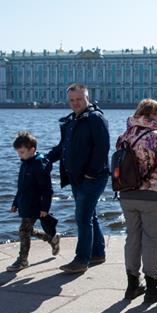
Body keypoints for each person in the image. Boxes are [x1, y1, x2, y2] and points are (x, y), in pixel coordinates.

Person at [116, 98, 157, 303]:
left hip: (126, 194)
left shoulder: (125, 135)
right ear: (152, 114)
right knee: (151, 241)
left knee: (132, 238)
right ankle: (152, 287)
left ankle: (132, 285)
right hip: (153, 195)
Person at [46, 83, 110, 272]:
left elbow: (102, 147)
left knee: (82, 218)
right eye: (72, 100)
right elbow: (63, 147)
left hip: (93, 177)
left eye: (79, 99)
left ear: (87, 98)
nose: (75, 103)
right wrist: (45, 159)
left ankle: (81, 260)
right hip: (76, 177)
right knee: (90, 216)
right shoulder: (71, 120)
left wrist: (91, 172)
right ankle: (98, 252)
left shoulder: (95, 118)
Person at [8, 131, 61, 272]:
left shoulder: (39, 165)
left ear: (32, 150)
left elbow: (47, 189)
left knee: (23, 231)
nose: (20, 156)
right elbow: (21, 186)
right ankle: (52, 238)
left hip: (35, 205)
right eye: (18, 153)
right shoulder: (25, 163)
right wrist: (15, 202)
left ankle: (22, 260)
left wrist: (45, 208)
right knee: (28, 230)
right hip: (24, 202)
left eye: (22, 152)